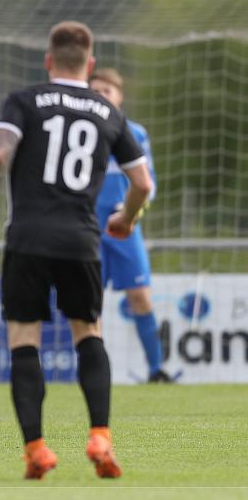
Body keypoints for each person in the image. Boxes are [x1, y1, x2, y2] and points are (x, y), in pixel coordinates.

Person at [0, 21, 153, 479]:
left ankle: (37, 450)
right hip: (82, 240)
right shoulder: (108, 112)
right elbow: (142, 182)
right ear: (89, 64)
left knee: (24, 339)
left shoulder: (25, 101)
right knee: (88, 333)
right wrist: (124, 218)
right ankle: (100, 436)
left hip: (27, 239)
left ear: (48, 60)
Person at [89, 68, 169, 383]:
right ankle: (94, 374)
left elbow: (150, 183)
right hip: (89, 229)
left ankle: (156, 370)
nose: (101, 96)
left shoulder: (134, 133)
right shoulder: (81, 131)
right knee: (88, 304)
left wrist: (131, 211)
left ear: (119, 95)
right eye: (94, 91)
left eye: (106, 91)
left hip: (125, 228)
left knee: (141, 297)